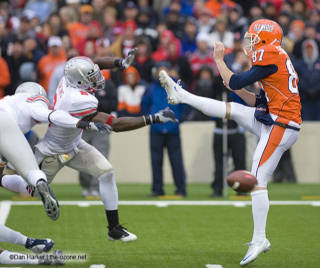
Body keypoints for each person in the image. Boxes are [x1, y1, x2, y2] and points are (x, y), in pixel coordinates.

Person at [159, 19, 301, 266]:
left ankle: (260, 239)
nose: (250, 43)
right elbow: (255, 100)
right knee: (232, 109)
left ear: (266, 40)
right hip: (273, 118)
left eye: (254, 38)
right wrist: (236, 86)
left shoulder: (270, 55)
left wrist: (219, 61)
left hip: (281, 125)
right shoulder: (275, 57)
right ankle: (182, 95)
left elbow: (235, 81)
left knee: (257, 179)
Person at [2, 51, 178, 243]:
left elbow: (95, 63)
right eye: (91, 78)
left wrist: (120, 62)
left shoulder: (68, 75)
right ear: (79, 82)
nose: (98, 79)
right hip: (52, 150)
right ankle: (3, 178)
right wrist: (153, 118)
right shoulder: (79, 100)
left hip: (75, 143)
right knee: (31, 189)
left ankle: (114, 229)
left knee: (107, 173)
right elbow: (116, 125)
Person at [0, 82, 104, 221]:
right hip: (6, 126)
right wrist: (81, 124)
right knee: (31, 172)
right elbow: (52, 116)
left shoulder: (8, 99)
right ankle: (38, 183)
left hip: (6, 128)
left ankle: (34, 184)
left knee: (3, 175)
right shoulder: (37, 101)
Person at [142, 62, 187, 197]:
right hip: (156, 129)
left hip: (173, 129)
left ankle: (181, 189)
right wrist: (152, 120)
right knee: (156, 162)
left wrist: (179, 119)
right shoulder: (151, 88)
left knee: (176, 161)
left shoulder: (177, 86)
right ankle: (157, 190)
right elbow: (145, 105)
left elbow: (186, 104)